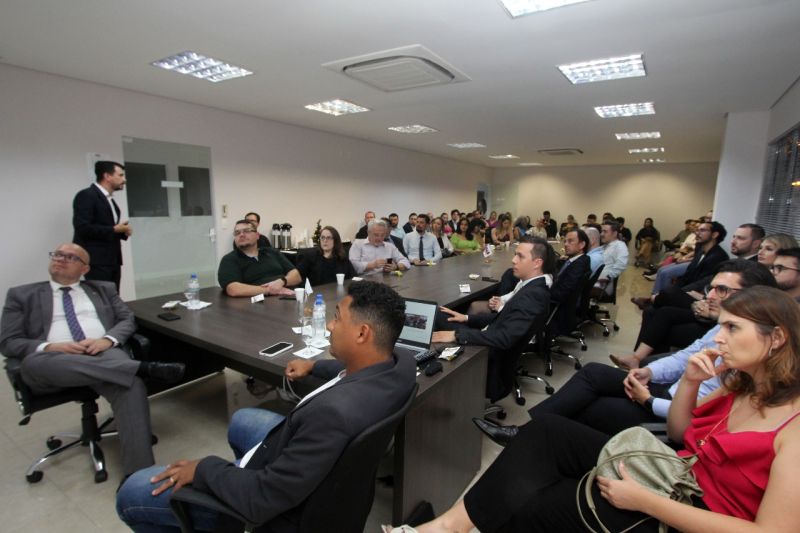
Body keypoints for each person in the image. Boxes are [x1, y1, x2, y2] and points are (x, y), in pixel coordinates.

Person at [388, 286, 800, 533]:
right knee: (546, 430)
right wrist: (690, 382)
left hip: (688, 512)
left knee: (535, 503)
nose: (718, 337)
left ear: (777, 338)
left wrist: (645, 502)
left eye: (731, 328)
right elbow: (681, 435)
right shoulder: (738, 385)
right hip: (676, 477)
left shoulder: (794, 428)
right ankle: (446, 527)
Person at [117, 281, 416, 532]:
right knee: (243, 419)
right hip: (329, 485)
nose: (329, 325)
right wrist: (314, 366)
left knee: (131, 494)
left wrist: (204, 469)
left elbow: (263, 498)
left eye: (337, 318)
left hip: (282, 510)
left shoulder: (332, 415)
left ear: (362, 334)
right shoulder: (400, 366)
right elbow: (349, 369)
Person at [0, 243, 185, 477]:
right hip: (54, 360)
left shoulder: (103, 289)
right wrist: (52, 346)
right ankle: (141, 368)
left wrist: (107, 340)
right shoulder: (21, 295)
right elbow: (8, 341)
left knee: (131, 386)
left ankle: (137, 477)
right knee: (32, 362)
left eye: (71, 257)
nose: (60, 259)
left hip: (103, 352)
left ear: (85, 268)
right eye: (57, 254)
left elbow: (127, 319)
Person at [432, 237, 553, 402]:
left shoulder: (533, 295)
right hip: (488, 339)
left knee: (434, 320)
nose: (513, 260)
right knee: (438, 312)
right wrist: (466, 318)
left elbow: (504, 337)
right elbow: (502, 318)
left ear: (537, 263)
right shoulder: (530, 286)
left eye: (520, 256)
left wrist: (456, 335)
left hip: (489, 357)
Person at [614, 259, 776, 370]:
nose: (711, 295)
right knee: (660, 311)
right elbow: (689, 354)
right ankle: (637, 358)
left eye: (721, 289)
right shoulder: (726, 268)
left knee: (666, 303)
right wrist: (650, 373)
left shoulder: (759, 342)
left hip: (709, 321)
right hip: (708, 316)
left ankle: (652, 302)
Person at [72, 160, 132, 291]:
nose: (124, 180)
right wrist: (114, 229)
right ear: (107, 176)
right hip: (96, 260)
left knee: (112, 296)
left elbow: (106, 227)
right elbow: (82, 228)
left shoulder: (109, 199)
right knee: (100, 297)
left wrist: (122, 231)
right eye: (120, 175)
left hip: (112, 259)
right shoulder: (87, 195)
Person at [218, 220, 301, 297]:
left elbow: (296, 276)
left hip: (290, 295)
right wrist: (270, 290)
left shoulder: (272, 252)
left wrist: (282, 281)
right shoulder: (229, 259)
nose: (241, 235)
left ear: (257, 235)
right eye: (237, 233)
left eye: (247, 231)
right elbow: (233, 289)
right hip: (258, 302)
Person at [593, 220, 628, 296]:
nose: (601, 234)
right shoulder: (605, 246)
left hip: (602, 285)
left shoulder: (620, 246)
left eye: (605, 231)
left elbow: (621, 265)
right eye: (601, 231)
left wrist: (608, 277)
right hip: (594, 280)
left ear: (614, 233)